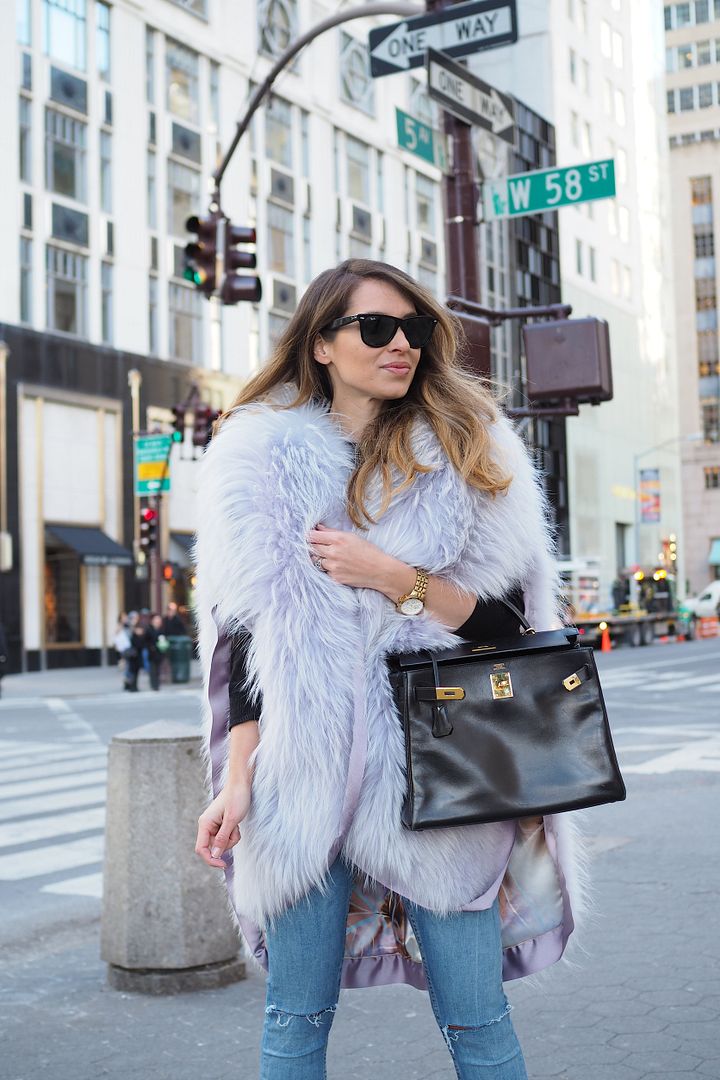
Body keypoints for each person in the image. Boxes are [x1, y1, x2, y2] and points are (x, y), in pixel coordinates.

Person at [194, 260, 584, 1079]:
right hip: (298, 781)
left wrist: (391, 577)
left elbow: (508, 627)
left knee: (476, 1022)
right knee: (295, 1019)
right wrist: (236, 780)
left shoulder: (470, 450)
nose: (401, 343)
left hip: (444, 779)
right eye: (376, 328)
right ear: (324, 345)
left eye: (413, 328)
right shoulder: (260, 461)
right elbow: (248, 650)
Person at [145, 613, 168, 691]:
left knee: (158, 669)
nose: (157, 621)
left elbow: (165, 640)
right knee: (152, 669)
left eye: (159, 620)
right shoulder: (149, 630)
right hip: (151, 653)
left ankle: (157, 684)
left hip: (159, 653)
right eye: (156, 620)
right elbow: (146, 641)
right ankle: (153, 685)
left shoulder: (162, 630)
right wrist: (151, 647)